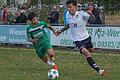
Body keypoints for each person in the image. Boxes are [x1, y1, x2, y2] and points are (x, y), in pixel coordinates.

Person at [57, 0, 106, 76]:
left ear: (75, 7)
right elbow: (69, 25)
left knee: (92, 50)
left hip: (86, 37)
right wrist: (61, 31)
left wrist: (91, 14)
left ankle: (95, 56)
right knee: (87, 53)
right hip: (77, 40)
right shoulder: (67, 14)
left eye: (70, 7)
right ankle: (99, 70)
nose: (69, 9)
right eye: (68, 7)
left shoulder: (82, 14)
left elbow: (93, 20)